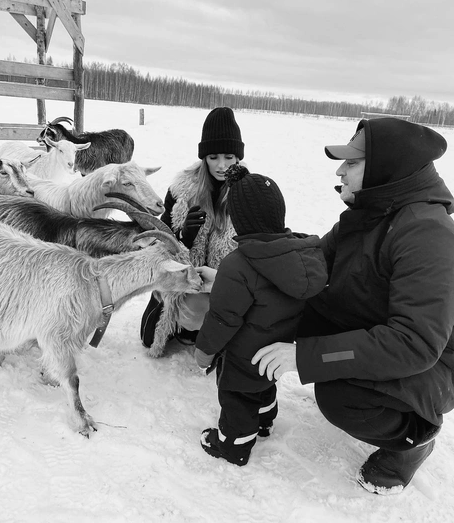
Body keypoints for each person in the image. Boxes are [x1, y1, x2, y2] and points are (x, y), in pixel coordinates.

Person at [251, 118, 454, 494]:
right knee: (282, 305)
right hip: (377, 323)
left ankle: (414, 441)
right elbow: (310, 265)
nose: (340, 170)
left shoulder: (426, 231)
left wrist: (306, 356)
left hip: (434, 362)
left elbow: (416, 342)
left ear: (384, 169)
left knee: (342, 396)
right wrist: (241, 275)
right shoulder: (370, 212)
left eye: (353, 162)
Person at [194, 164, 328, 466]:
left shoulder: (238, 265)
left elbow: (223, 317)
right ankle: (266, 421)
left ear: (238, 221)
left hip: (241, 357)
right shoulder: (299, 255)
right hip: (276, 350)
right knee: (265, 385)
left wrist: (204, 351)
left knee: (236, 398)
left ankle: (234, 445)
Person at [140, 106, 245, 352]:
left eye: (229, 157)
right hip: (182, 280)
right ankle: (187, 323)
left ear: (238, 157)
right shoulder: (180, 191)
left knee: (205, 317)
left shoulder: (249, 192)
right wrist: (181, 236)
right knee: (149, 339)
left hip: (225, 285)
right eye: (213, 157)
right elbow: (158, 246)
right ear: (204, 157)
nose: (221, 165)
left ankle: (210, 328)